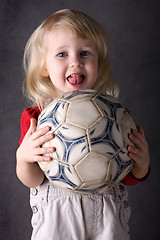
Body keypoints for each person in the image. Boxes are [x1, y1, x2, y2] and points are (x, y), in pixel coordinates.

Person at [16, 9, 150, 240]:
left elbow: (129, 177)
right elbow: (34, 180)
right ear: (45, 67)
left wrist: (142, 162)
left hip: (107, 217)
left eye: (85, 53)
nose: (75, 62)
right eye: (62, 55)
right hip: (58, 219)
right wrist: (24, 157)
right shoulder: (37, 118)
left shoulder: (116, 117)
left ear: (98, 62)